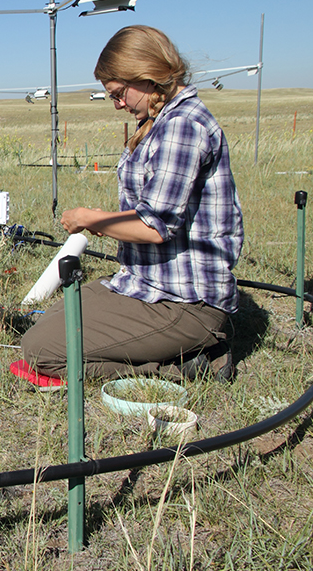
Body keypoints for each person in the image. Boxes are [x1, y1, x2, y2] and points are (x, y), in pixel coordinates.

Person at [15, 25, 243, 388]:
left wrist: (93, 220)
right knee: (54, 319)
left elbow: (154, 228)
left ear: (148, 75)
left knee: (43, 350)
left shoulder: (182, 126)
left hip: (183, 303)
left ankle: (187, 365)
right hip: (146, 284)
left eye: (120, 93)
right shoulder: (161, 121)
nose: (119, 104)